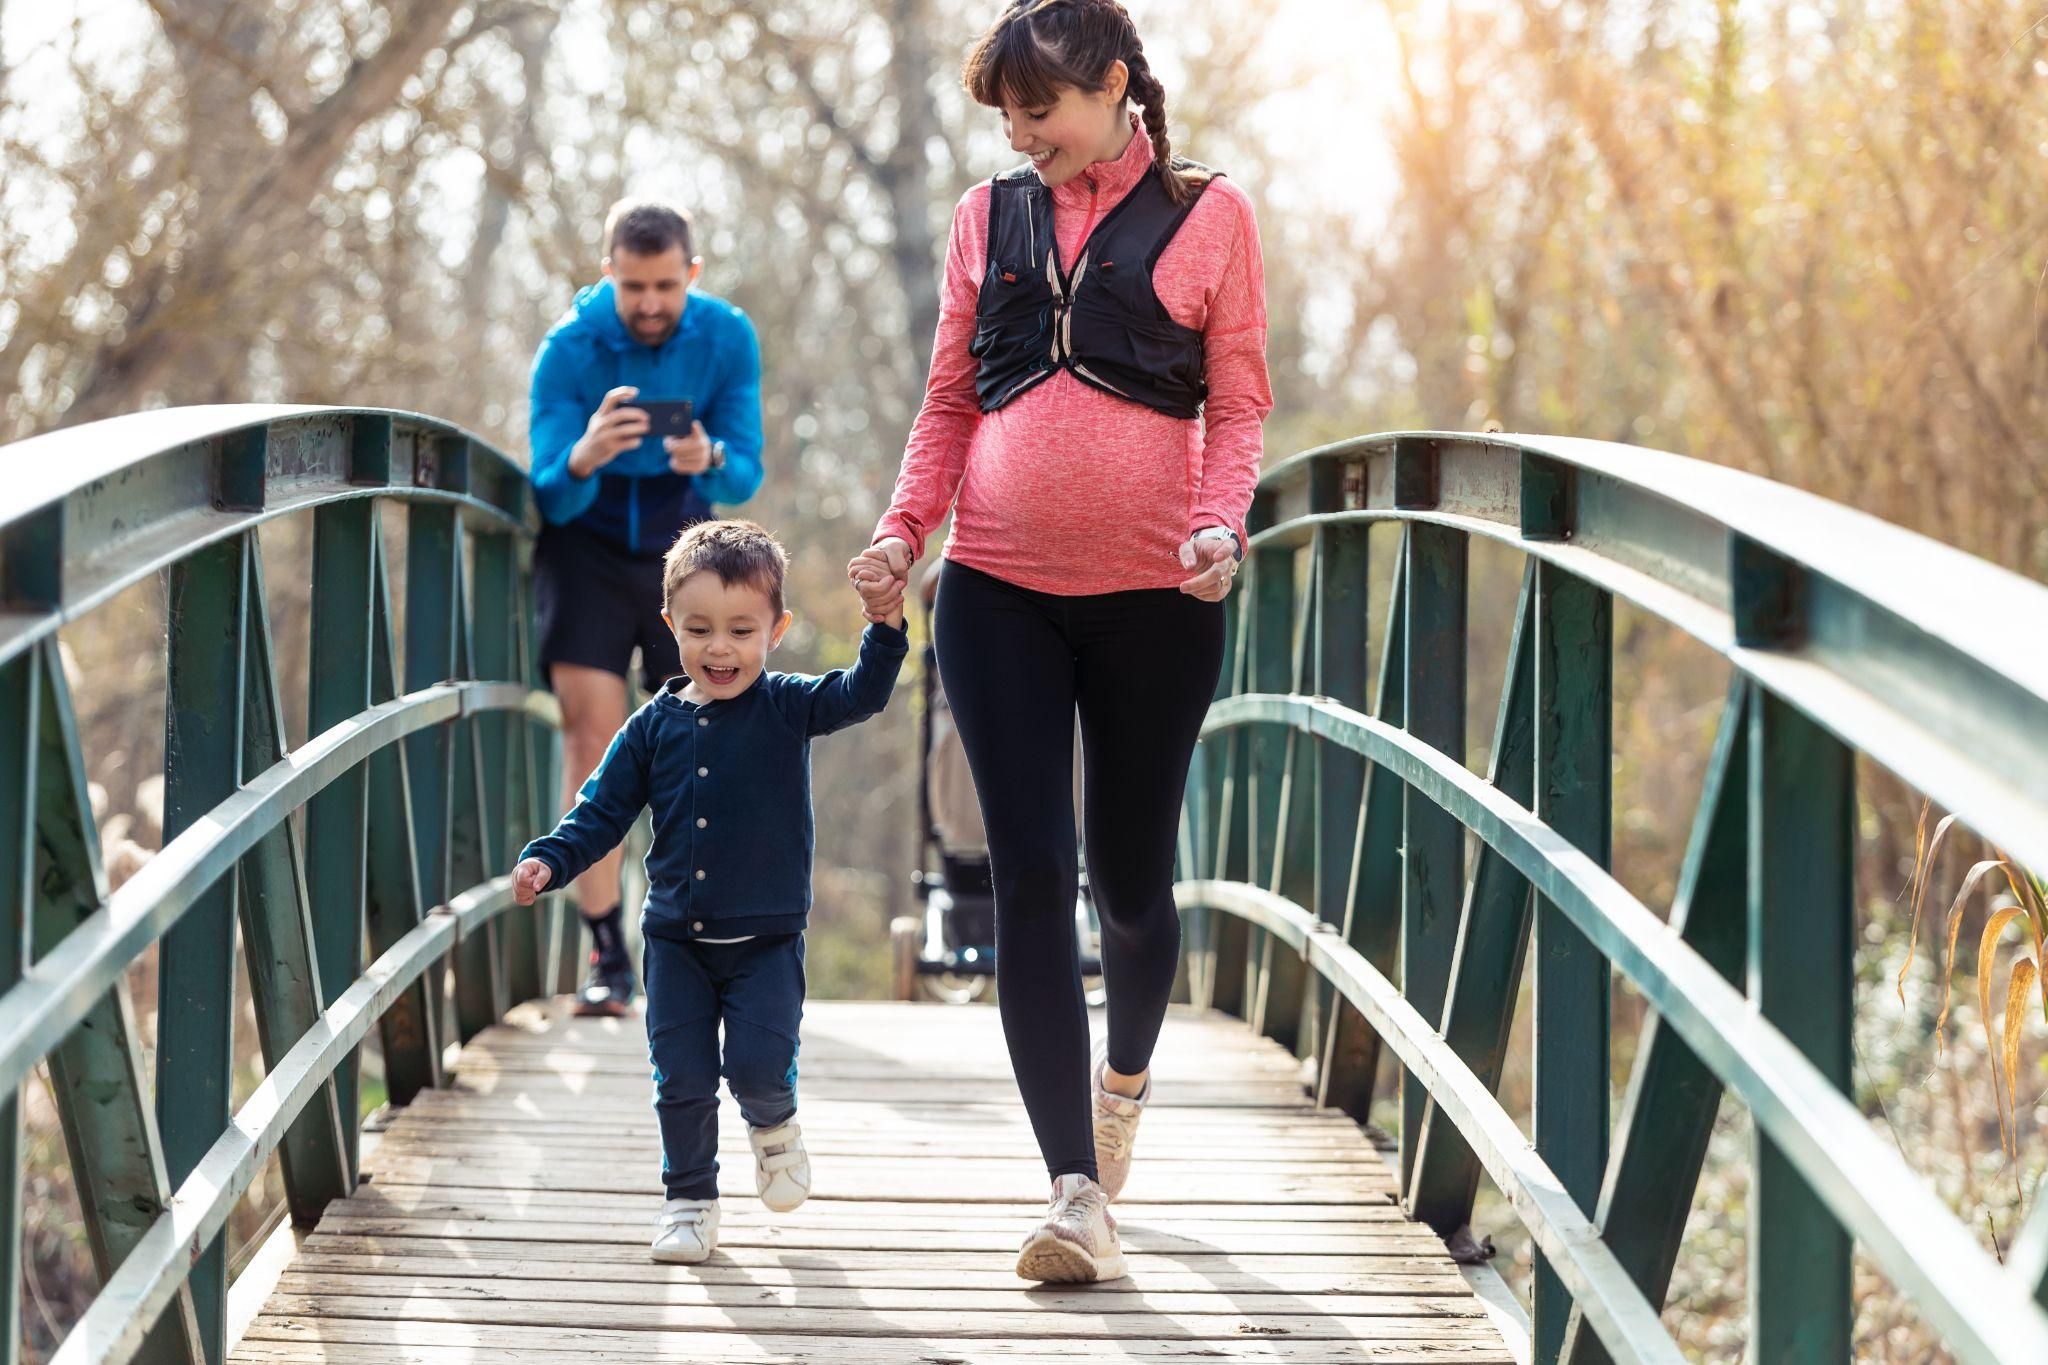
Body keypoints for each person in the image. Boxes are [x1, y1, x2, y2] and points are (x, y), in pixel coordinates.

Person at [849, 0, 1269, 1286]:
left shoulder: (1213, 217)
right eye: (1008, 117)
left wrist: (1214, 525)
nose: (1021, 135)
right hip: (998, 592)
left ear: (1113, 90)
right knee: (1026, 872)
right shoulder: (989, 219)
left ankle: (1123, 1084)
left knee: (1131, 889)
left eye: (1040, 110)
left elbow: (1239, 402)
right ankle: (1073, 1191)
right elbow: (950, 396)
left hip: (1157, 597)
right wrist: (902, 532)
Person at [512, 521, 908, 1263]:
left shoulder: (788, 706)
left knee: (757, 1066)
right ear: (670, 627)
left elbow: (862, 694)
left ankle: (774, 1122)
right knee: (682, 1078)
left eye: (740, 629)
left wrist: (884, 629)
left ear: (777, 629)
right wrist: (550, 859)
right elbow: (600, 811)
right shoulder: (650, 727)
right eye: (698, 629)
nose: (718, 648)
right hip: (674, 941)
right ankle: (689, 1199)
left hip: (765, 940)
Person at [527, 197, 765, 1016]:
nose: (653, 302)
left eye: (667, 284)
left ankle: (702, 939)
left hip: (687, 547)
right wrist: (585, 454)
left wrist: (713, 454)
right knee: (594, 738)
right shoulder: (568, 349)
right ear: (608, 276)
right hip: (586, 550)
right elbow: (550, 497)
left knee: (706, 743)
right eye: (634, 287)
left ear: (691, 275)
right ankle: (606, 950)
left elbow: (745, 478)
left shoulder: (727, 337)